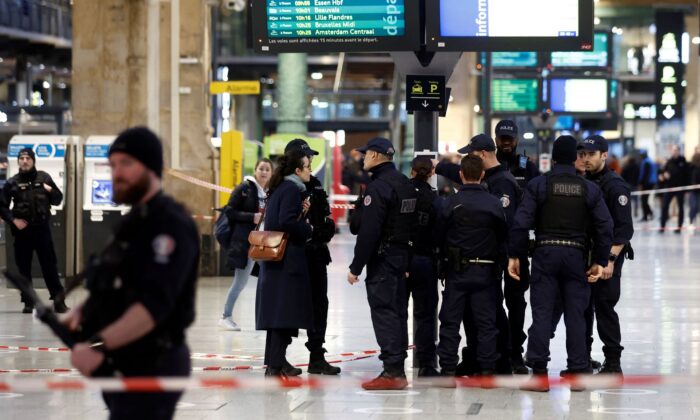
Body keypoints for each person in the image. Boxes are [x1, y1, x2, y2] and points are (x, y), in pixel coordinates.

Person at [63, 127, 199, 419]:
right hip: (126, 359)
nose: (117, 173)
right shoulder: (135, 221)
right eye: (113, 165)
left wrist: (97, 344)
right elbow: (120, 278)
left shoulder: (169, 223)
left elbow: (153, 306)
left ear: (150, 168)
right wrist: (84, 311)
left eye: (126, 164)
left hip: (155, 362)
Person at [508, 135, 613, 392]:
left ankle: (539, 375)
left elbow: (520, 224)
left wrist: (515, 255)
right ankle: (578, 372)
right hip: (577, 257)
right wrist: (600, 261)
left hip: (545, 255)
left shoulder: (539, 185)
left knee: (543, 313)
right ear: (575, 158)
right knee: (576, 315)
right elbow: (605, 226)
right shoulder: (589, 188)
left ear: (553, 158)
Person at [435, 134, 525, 375]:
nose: (467, 159)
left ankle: (494, 362)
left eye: (471, 155)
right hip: (485, 267)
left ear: (483, 155)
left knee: (468, 320)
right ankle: (483, 365)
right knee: (484, 321)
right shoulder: (491, 198)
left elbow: (440, 234)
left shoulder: (500, 185)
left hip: (467, 269)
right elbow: (501, 229)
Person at [347, 137, 417, 390]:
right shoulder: (405, 184)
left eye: (366, 154)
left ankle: (393, 372)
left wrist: (356, 267)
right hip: (401, 257)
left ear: (376, 156)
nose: (363, 158)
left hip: (384, 259)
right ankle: (397, 365)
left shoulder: (378, 188)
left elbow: (369, 232)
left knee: (385, 312)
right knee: (398, 312)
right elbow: (413, 225)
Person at [284, 139, 340, 375]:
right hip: (294, 256)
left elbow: (326, 219)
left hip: (317, 254)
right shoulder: (285, 187)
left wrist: (323, 229)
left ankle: (317, 356)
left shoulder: (315, 185)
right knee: (287, 307)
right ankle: (279, 358)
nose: (311, 162)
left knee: (320, 305)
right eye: (307, 158)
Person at [579, 135, 634, 374]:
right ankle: (583, 356)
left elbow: (624, 230)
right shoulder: (583, 181)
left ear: (604, 155)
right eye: (582, 154)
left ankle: (613, 362)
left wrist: (609, 260)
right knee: (583, 306)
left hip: (608, 256)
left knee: (604, 305)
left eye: (591, 154)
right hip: (587, 253)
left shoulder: (615, 186)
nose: (586, 159)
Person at [256, 149, 314, 378]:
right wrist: (308, 228)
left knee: (277, 315)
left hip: (276, 260)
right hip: (286, 261)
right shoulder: (291, 188)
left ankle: (276, 362)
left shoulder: (282, 187)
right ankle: (274, 367)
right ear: (297, 170)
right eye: (308, 167)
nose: (310, 170)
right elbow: (286, 221)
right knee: (283, 315)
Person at [0, 147, 68, 313]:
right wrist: (13, 220)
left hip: (42, 230)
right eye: (21, 158)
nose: (24, 161)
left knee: (50, 266)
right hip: (22, 232)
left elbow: (58, 199)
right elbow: (1, 206)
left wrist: (50, 190)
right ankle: (28, 303)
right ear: (18, 162)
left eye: (28, 158)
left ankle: (59, 302)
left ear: (33, 160)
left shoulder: (44, 177)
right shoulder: (12, 182)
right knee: (24, 268)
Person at [218, 158, 272, 331]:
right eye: (261, 168)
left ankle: (273, 319)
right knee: (240, 282)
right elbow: (230, 211)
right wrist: (252, 217)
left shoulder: (269, 192)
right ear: (255, 170)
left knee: (271, 280)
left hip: (264, 242)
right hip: (246, 243)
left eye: (267, 169)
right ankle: (225, 316)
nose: (264, 172)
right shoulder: (245, 188)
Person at [407, 156, 441, 377]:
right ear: (431, 174)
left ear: (411, 172)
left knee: (397, 312)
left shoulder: (402, 194)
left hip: (402, 260)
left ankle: (393, 362)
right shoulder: (435, 200)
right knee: (426, 314)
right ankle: (427, 364)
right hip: (427, 261)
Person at [494, 119, 539, 189]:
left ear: (517, 140)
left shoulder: (528, 168)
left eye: (510, 139)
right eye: (503, 139)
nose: (506, 142)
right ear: (496, 140)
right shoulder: (488, 167)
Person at [659, 145, 690, 233]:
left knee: (681, 208)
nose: (674, 152)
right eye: (673, 150)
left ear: (679, 151)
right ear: (671, 151)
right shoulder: (669, 162)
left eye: (676, 150)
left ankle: (679, 227)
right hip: (669, 187)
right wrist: (663, 176)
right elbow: (662, 174)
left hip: (680, 188)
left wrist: (686, 189)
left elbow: (687, 175)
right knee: (665, 206)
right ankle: (662, 226)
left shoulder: (683, 161)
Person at [637, 150, 657, 221]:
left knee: (644, 200)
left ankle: (646, 215)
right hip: (650, 183)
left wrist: (641, 183)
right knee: (645, 200)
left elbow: (645, 175)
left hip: (647, 184)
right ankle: (648, 214)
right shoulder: (649, 161)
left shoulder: (646, 162)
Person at [690, 150, 700, 226]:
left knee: (698, 206)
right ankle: (691, 221)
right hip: (693, 189)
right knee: (694, 206)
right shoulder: (692, 165)